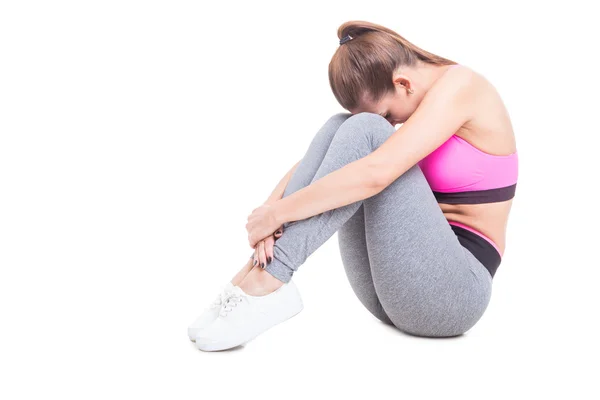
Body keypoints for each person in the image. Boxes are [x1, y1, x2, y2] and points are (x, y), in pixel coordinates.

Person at [188, 20, 519, 351]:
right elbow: (317, 165)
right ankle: (252, 275)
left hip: (453, 294)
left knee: (366, 131)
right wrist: (269, 212)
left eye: (388, 113)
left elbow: (376, 172)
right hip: (390, 291)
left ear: (403, 83)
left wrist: (280, 214)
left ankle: (272, 278)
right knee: (341, 126)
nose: (391, 123)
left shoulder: (464, 87)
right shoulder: (420, 101)